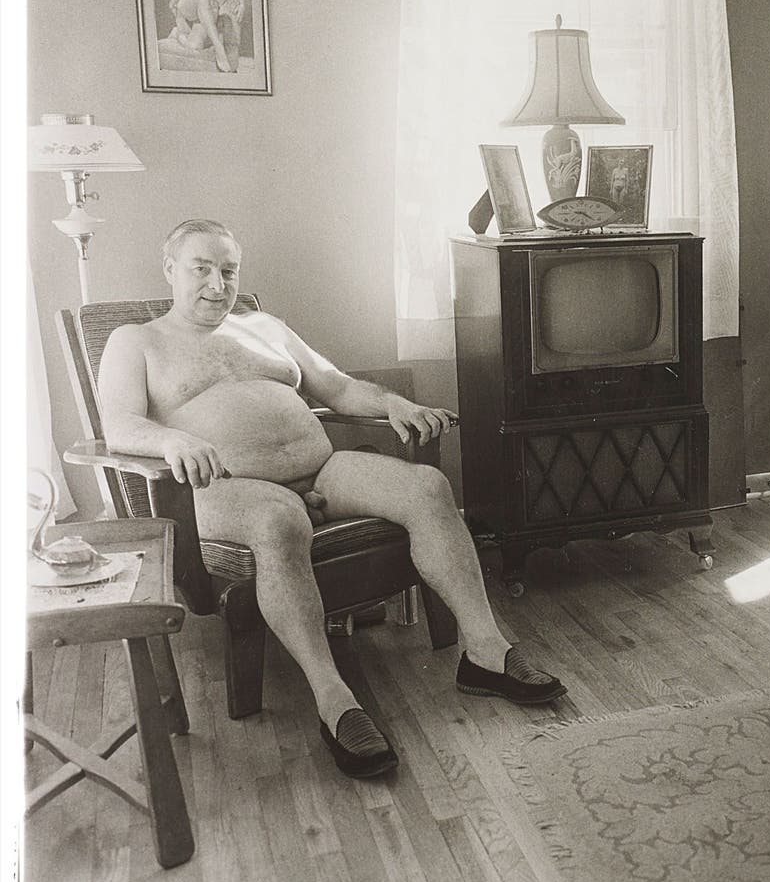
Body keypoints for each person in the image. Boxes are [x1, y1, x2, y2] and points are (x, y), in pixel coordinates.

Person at [97, 218, 566, 779]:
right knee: (280, 520)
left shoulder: (265, 327)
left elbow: (338, 387)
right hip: (224, 488)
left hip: (320, 469)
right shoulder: (136, 341)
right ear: (170, 269)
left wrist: (393, 405)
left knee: (427, 487)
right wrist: (172, 440)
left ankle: (487, 653)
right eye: (201, 269)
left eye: (228, 271)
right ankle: (334, 698)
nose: (217, 285)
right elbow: (118, 423)